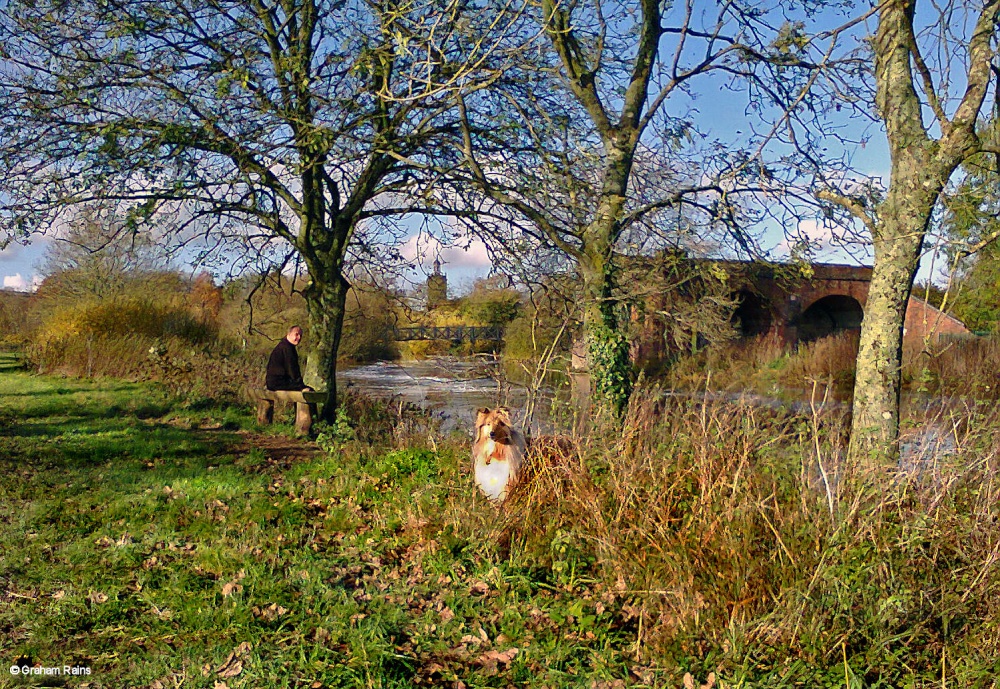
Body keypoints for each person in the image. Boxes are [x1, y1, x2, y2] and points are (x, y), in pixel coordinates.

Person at [266, 325, 312, 391]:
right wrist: (301, 386)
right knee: (309, 392)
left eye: (300, 335)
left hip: (274, 382)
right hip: (278, 383)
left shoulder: (285, 346)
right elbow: (292, 369)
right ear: (289, 334)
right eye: (296, 334)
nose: (299, 338)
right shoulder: (287, 348)